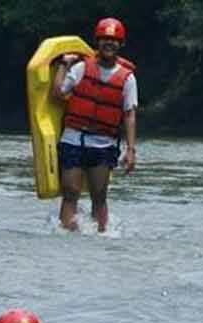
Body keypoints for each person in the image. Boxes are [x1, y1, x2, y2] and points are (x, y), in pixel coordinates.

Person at [51, 17, 138, 233]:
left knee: (99, 195)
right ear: (97, 42)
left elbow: (129, 115)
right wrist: (64, 64)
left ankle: (102, 235)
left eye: (114, 40)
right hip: (73, 139)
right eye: (105, 39)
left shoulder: (127, 79)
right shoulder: (81, 68)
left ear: (121, 44)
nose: (109, 43)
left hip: (103, 144)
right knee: (70, 191)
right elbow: (58, 92)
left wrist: (130, 150)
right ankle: (66, 234)